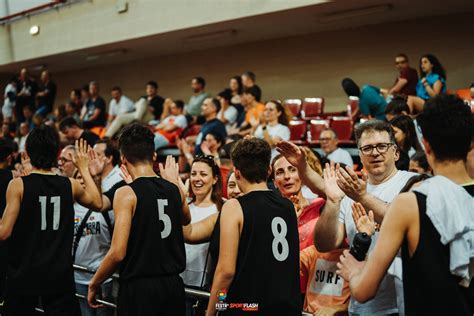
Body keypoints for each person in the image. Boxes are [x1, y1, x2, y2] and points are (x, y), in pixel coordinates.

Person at [336, 95, 474, 315]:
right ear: (470, 143)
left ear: (425, 145)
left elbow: (363, 291)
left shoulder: (410, 202)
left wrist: (354, 271)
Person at [311, 119, 417, 315]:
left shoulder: (412, 183)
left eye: (382, 146)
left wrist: (362, 197)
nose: (375, 153)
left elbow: (403, 221)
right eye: (367, 148)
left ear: (395, 152)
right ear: (359, 154)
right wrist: (333, 201)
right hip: (358, 306)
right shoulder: (351, 191)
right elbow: (325, 244)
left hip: (398, 306)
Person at [88, 123, 191, 315]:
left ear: (123, 159)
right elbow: (186, 219)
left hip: (140, 288)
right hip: (173, 286)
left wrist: (95, 282)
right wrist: (174, 183)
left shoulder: (126, 193)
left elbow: (118, 252)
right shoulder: (173, 188)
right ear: (153, 156)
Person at [0, 126, 102, 315]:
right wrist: (85, 170)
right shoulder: (69, 184)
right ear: (56, 152)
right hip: (58, 276)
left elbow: (4, 232)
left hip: (24, 274)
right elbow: (97, 202)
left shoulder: (18, 185)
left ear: (28, 152)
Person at [207, 138, 301, 315]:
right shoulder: (288, 206)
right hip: (286, 307)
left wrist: (214, 309)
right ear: (269, 170)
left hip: (248, 307)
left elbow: (225, 272)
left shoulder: (234, 206)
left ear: (237, 172)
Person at [73, 140, 121, 316]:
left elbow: (99, 203)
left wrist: (94, 175)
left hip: (101, 276)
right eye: (78, 178)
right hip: (77, 274)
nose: (82, 182)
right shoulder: (70, 206)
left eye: (84, 178)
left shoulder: (106, 203)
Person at [182, 155, 223, 315]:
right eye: (193, 174)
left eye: (203, 174)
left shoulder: (221, 210)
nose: (197, 179)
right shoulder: (184, 206)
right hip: (179, 283)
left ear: (214, 179)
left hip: (203, 289)